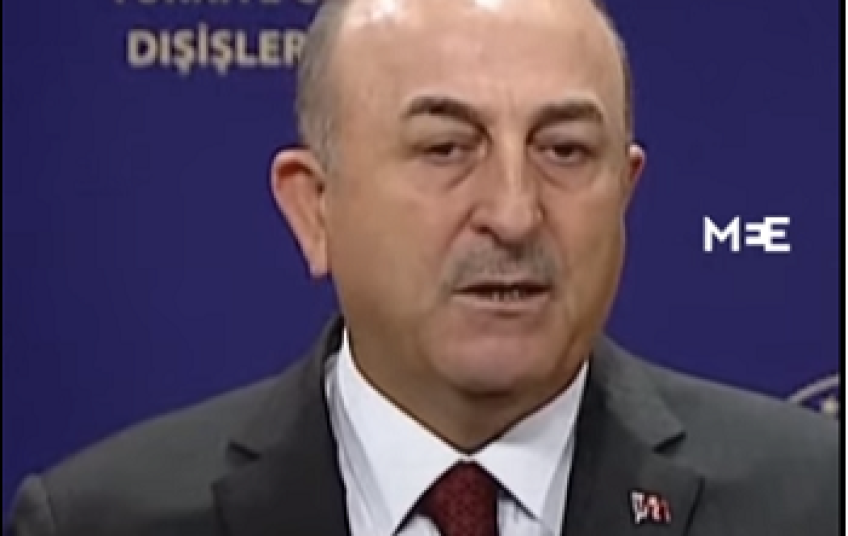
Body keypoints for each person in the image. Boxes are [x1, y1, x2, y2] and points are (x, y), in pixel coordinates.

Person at [7, 0, 839, 535]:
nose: (514, 212)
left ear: (625, 191)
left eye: (563, 150)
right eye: (446, 148)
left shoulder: (815, 499)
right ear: (314, 207)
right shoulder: (104, 520)